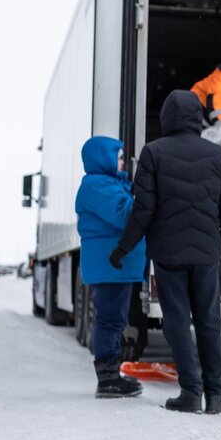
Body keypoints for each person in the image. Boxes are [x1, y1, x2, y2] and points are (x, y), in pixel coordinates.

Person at [110, 90, 221, 414]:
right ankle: (215, 395)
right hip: (206, 252)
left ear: (168, 116)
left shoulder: (154, 153)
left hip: (168, 254)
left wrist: (124, 248)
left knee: (178, 322)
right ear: (197, 117)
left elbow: (143, 209)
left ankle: (190, 392)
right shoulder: (217, 154)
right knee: (209, 321)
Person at [74, 136, 147, 399]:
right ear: (102, 159)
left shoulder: (108, 184)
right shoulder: (98, 186)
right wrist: (148, 193)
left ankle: (111, 374)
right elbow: (126, 215)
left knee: (114, 319)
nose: (122, 162)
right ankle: (107, 379)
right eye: (117, 157)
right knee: (110, 320)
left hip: (114, 266)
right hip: (110, 266)